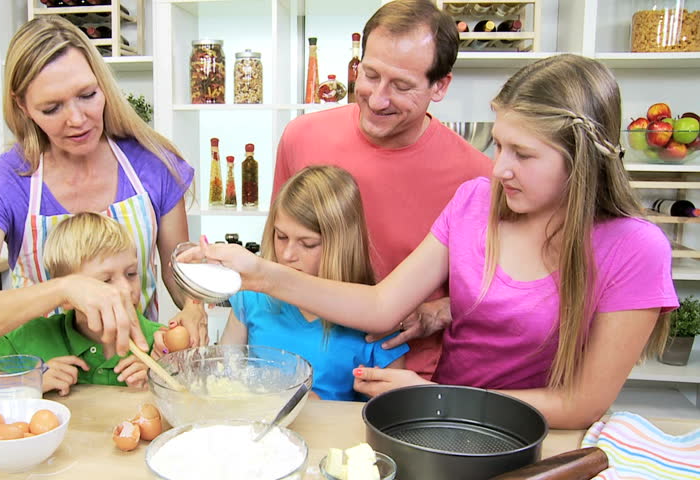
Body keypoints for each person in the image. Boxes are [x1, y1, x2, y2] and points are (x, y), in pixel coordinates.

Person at [188, 54, 679, 429]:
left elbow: (582, 404)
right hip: (440, 423)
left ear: (583, 162)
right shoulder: (474, 202)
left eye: (523, 154)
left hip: (533, 434)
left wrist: (435, 396)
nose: (499, 166)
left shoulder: (635, 249)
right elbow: (381, 306)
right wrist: (260, 273)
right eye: (499, 144)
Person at [0, 16, 206, 360]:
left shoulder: (153, 165)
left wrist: (195, 307)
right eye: (52, 108)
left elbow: (179, 281)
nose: (77, 119)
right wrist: (65, 288)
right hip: (45, 379)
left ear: (103, 85)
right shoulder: (2, 183)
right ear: (22, 106)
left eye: (87, 95)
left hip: (133, 370)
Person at [272, 0, 492, 378]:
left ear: (440, 86)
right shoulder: (301, 137)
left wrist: (438, 311)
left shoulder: (477, 177)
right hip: (306, 367)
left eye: (402, 86)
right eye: (370, 75)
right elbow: (280, 250)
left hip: (408, 376)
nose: (377, 99)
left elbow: (499, 293)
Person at [0, 213, 170, 395]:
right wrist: (26, 381)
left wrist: (160, 384)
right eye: (105, 280)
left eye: (130, 274)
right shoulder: (32, 338)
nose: (126, 290)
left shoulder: (160, 343)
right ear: (68, 297)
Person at [219, 166, 408, 401]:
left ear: (341, 246)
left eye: (307, 244)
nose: (287, 254)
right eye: (281, 236)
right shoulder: (251, 297)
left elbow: (388, 419)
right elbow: (224, 380)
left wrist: (322, 409)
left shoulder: (375, 321)